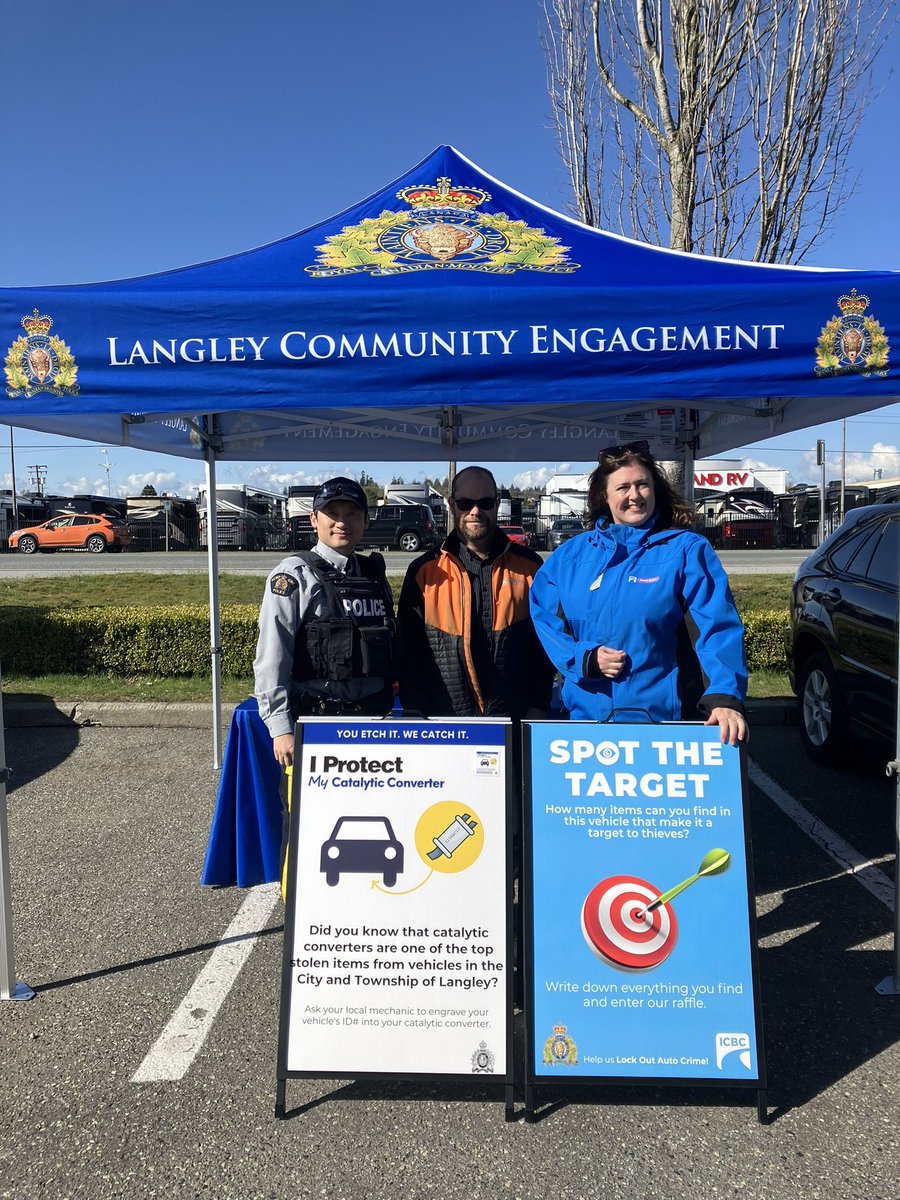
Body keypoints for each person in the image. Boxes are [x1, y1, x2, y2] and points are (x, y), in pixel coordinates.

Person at [529, 442, 748, 744]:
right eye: (622, 488)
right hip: (587, 726)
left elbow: (716, 626)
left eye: (642, 484)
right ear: (604, 497)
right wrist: (584, 659)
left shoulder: (686, 551)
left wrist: (724, 697)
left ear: (654, 489)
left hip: (665, 727)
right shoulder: (569, 558)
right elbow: (544, 618)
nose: (634, 496)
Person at [253, 477, 396, 768]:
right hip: (318, 724)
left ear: (366, 521)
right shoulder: (294, 576)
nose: (342, 522)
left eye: (352, 513)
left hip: (375, 720)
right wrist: (281, 727)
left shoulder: (373, 574)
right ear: (314, 519)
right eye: (332, 513)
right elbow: (273, 654)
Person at [398, 465, 554, 719]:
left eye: (484, 502)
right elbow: (409, 654)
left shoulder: (530, 567)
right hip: (444, 725)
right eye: (465, 502)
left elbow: (544, 646)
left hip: (514, 723)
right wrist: (415, 712)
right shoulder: (424, 570)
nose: (475, 511)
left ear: (497, 504)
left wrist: (538, 705)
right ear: (451, 505)